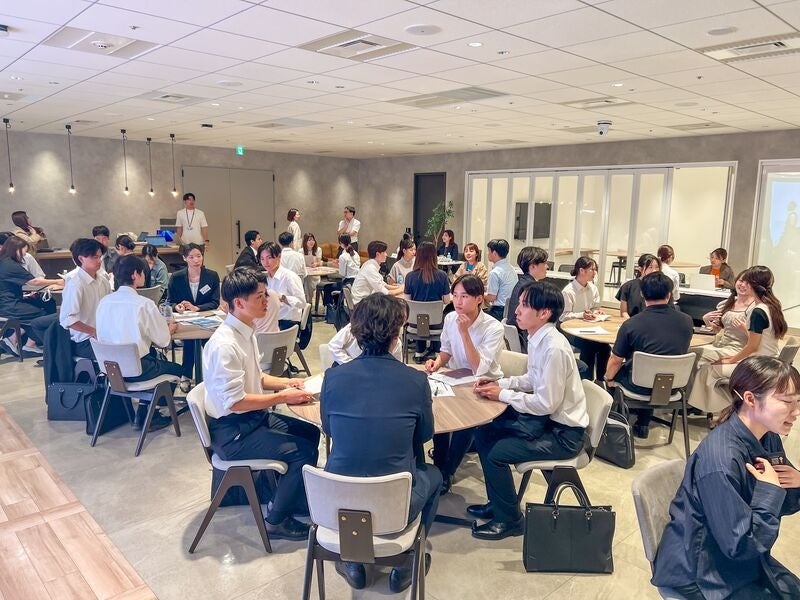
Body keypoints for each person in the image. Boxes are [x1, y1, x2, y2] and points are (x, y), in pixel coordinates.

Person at [652, 356, 800, 599]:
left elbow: (785, 504)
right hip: (702, 571)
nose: (796, 412)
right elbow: (740, 545)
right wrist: (771, 492)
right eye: (787, 402)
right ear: (750, 399)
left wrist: (795, 482)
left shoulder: (768, 435)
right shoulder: (721, 460)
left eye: (798, 402)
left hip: (741, 556)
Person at [321, 293, 441, 592]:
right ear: (396, 335)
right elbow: (424, 435)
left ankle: (353, 560)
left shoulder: (332, 378)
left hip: (337, 500)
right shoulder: (415, 380)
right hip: (393, 504)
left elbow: (329, 430)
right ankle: (406, 560)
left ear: (355, 333)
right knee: (435, 476)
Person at [203, 267, 320, 541]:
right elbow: (235, 402)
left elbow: (257, 377)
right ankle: (275, 521)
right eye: (260, 296)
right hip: (233, 432)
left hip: (252, 419)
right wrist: (283, 397)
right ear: (239, 303)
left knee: (310, 433)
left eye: (266, 294)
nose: (267, 300)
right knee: (301, 452)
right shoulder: (224, 345)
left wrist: (288, 383)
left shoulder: (246, 331)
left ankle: (291, 498)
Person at [471, 281, 588, 540]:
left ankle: (510, 520)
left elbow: (546, 403)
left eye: (524, 305)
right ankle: (499, 504)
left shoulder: (554, 347)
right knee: (483, 433)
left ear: (544, 313)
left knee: (496, 453)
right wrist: (500, 383)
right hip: (546, 422)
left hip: (563, 435)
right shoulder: (539, 338)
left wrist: (502, 394)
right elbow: (532, 379)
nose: (517, 310)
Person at [425, 275, 505, 494]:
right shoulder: (451, 317)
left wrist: (464, 332)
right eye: (455, 295)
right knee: (438, 412)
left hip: (484, 383)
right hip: (455, 378)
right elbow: (446, 350)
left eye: (464, 296)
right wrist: (437, 362)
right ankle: (440, 465)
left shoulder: (493, 327)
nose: (458, 301)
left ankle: (447, 472)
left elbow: (478, 368)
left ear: (479, 298)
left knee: (467, 422)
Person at [97, 255, 182, 431]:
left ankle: (145, 411)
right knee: (177, 369)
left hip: (110, 370)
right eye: (143, 272)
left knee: (153, 358)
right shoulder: (144, 304)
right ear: (135, 274)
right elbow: (163, 341)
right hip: (138, 370)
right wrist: (170, 329)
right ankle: (150, 413)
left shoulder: (104, 302)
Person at [604, 272, 694, 438]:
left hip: (638, 385)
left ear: (642, 294)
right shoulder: (687, 321)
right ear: (669, 295)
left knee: (615, 375)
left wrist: (608, 379)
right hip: (673, 386)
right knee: (656, 368)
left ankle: (615, 427)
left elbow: (615, 360)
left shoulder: (631, 324)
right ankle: (643, 423)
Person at [689, 266, 787, 414]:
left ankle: (723, 409)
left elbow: (752, 346)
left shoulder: (758, 311)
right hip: (767, 360)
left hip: (758, 364)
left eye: (747, 281)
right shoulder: (772, 306)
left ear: (754, 285)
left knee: (707, 370)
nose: (743, 285)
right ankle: (718, 408)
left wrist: (731, 360)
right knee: (707, 364)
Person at [167, 243, 221, 391]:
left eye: (199, 256)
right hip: (185, 322)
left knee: (211, 344)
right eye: (191, 257)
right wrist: (176, 307)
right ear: (184, 258)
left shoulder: (212, 276)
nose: (196, 260)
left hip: (207, 319)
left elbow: (215, 302)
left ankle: (214, 376)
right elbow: (169, 301)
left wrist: (198, 307)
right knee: (190, 341)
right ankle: (186, 376)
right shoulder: (176, 278)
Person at [0, 235, 62, 353]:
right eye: (23, 252)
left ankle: (15, 340)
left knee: (45, 303)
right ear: (15, 249)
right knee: (43, 314)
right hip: (8, 305)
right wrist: (58, 281)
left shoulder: (4, 261)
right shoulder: (10, 265)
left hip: (7, 301)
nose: (24, 255)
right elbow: (34, 282)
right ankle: (27, 344)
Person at [60, 238, 112, 359]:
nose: (99, 261)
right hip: (84, 341)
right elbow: (67, 320)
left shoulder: (103, 280)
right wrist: (93, 331)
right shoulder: (75, 284)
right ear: (81, 259)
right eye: (94, 257)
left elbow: (110, 308)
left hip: (103, 336)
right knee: (119, 356)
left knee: (136, 349)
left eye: (100, 256)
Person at [560, 256, 610, 382]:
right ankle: (586, 381)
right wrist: (582, 315)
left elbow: (594, 308)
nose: (595, 273)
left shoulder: (593, 288)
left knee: (605, 347)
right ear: (582, 270)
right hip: (571, 331)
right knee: (589, 346)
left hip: (589, 328)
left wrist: (596, 312)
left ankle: (601, 380)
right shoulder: (568, 291)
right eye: (592, 269)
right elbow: (563, 316)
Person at [403, 241, 451, 362]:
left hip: (415, 324)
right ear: (434, 256)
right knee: (443, 314)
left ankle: (419, 351)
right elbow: (447, 300)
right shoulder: (442, 276)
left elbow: (407, 302)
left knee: (420, 315)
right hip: (437, 324)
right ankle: (437, 350)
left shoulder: (410, 277)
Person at [507, 246, 548, 351]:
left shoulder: (523, 282)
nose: (547, 267)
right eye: (544, 263)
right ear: (533, 266)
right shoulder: (531, 288)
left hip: (520, 335)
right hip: (525, 339)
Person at [258, 242, 305, 331]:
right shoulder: (264, 278)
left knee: (261, 336)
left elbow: (302, 303)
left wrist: (282, 297)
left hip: (287, 321)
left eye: (269, 258)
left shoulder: (289, 277)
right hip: (270, 319)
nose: (265, 262)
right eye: (262, 259)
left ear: (279, 257)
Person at [351, 240, 403, 305]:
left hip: (364, 300)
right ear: (377, 254)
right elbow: (385, 292)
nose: (386, 255)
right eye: (384, 252)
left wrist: (398, 287)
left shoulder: (370, 264)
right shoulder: (370, 268)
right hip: (360, 303)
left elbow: (383, 284)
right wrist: (402, 289)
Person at [327, 321, 403, 365]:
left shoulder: (394, 338)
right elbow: (333, 346)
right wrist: (350, 363)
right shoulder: (354, 327)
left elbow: (397, 364)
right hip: (346, 366)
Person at [615, 253, 661, 319]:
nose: (654, 270)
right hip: (633, 322)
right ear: (640, 269)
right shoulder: (628, 286)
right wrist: (632, 323)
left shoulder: (662, 286)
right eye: (650, 267)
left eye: (657, 267)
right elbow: (624, 312)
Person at [485, 239, 518, 321]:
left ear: (494, 253)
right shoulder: (511, 268)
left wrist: (478, 293)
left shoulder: (495, 272)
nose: (487, 254)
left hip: (498, 311)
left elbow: (491, 297)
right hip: (511, 310)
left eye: (489, 251)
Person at [301, 233, 323, 303]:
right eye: (309, 240)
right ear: (305, 242)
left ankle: (308, 300)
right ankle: (308, 300)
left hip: (315, 274)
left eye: (313, 240)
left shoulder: (318, 249)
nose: (312, 242)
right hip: (305, 274)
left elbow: (319, 262)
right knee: (306, 279)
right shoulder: (301, 251)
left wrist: (316, 264)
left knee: (308, 280)